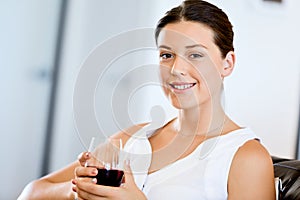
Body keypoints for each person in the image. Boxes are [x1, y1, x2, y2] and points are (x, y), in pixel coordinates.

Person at [18, 0, 276, 199]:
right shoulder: (133, 138)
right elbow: (31, 193)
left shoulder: (246, 158)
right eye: (166, 55)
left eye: (196, 55)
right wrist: (76, 190)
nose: (176, 69)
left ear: (227, 63)